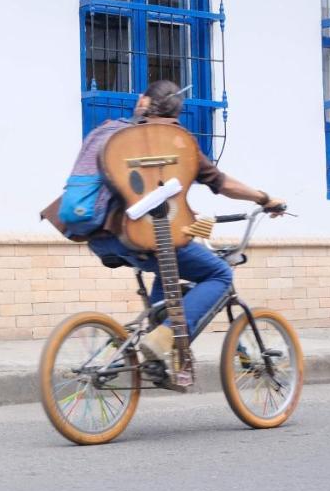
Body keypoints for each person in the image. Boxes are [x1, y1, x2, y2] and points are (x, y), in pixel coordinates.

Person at [81, 80, 286, 370]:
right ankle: (163, 338)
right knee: (219, 274)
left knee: (169, 267)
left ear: (143, 101)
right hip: (144, 235)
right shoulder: (178, 140)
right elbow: (223, 183)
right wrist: (264, 198)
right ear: (177, 112)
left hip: (102, 234)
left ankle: (154, 356)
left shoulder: (115, 132)